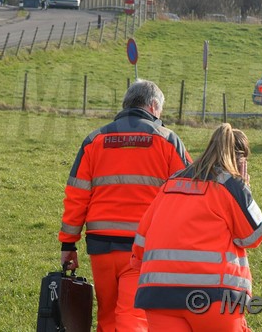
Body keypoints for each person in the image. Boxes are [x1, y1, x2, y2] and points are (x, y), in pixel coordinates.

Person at [58, 79, 192, 332]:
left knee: (107, 317)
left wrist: (68, 243)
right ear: (153, 106)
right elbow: (187, 194)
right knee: (133, 318)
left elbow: (76, 196)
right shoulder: (167, 140)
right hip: (143, 247)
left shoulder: (94, 140)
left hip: (101, 247)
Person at [131, 124, 262, 331]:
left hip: (158, 294)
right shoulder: (231, 185)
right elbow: (255, 235)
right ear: (241, 161)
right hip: (215, 296)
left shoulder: (171, 184)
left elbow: (141, 241)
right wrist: (245, 190)